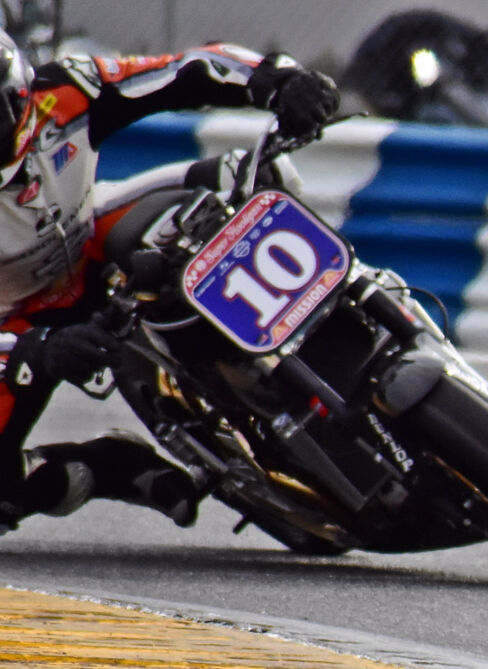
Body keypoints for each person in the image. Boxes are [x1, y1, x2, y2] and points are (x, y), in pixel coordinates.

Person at [0, 36, 338, 532]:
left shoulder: (69, 90)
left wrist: (277, 80)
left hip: (100, 237)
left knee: (265, 176)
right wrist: (35, 346)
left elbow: (183, 70)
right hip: (26, 322)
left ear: (18, 92)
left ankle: (368, 315)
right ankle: (109, 467)